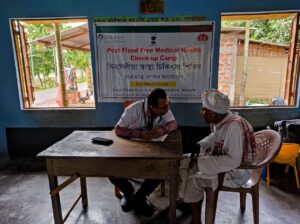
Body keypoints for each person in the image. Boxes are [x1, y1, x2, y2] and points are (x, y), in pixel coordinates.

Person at [179, 89, 256, 224]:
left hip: (236, 173)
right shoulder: (224, 120)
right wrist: (201, 145)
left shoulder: (234, 127)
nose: (201, 112)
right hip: (228, 166)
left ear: (213, 114)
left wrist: (199, 162)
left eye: (204, 110)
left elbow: (233, 160)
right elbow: (215, 136)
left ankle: (196, 219)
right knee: (184, 161)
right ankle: (188, 200)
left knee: (193, 179)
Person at [110, 88, 177, 216]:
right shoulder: (133, 110)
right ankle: (128, 193)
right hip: (130, 148)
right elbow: (118, 130)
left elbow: (173, 124)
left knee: (162, 168)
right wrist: (139, 134)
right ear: (152, 107)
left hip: (153, 149)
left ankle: (141, 196)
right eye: (163, 107)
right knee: (110, 169)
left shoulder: (164, 108)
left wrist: (162, 130)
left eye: (168, 105)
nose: (167, 109)